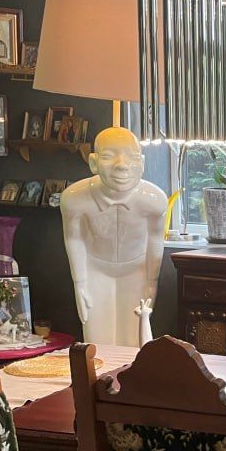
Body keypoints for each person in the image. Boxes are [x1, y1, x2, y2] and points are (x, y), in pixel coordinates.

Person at [60, 127, 167, 346]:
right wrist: (80, 282)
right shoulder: (74, 198)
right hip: (95, 268)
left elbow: (155, 239)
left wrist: (151, 281)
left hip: (137, 269)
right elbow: (74, 239)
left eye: (132, 157)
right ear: (93, 163)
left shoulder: (154, 199)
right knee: (96, 337)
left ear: (142, 163)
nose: (122, 165)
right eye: (109, 156)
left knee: (136, 338)